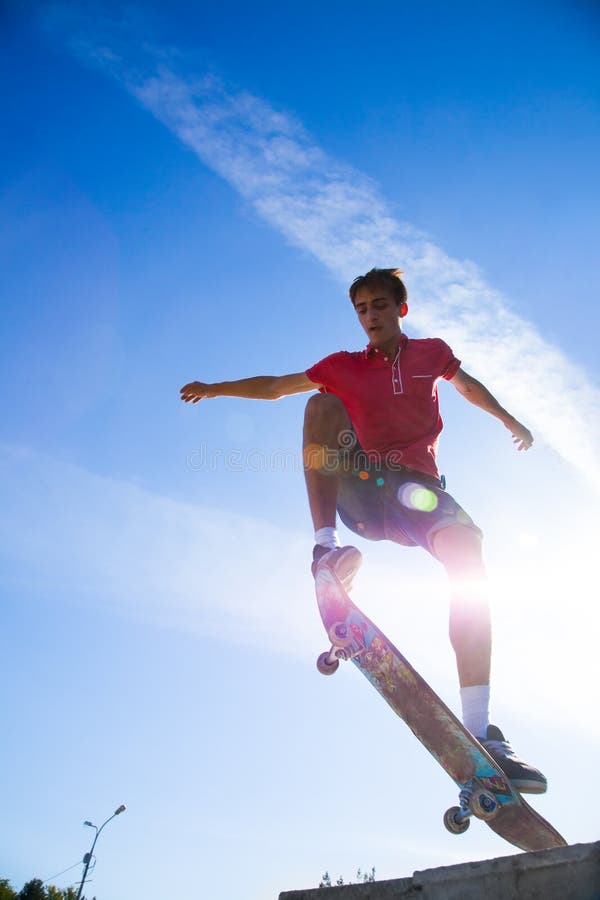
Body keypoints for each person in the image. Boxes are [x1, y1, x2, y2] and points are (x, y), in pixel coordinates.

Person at [180, 267, 546, 793]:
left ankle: (481, 732)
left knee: (469, 557)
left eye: (379, 306)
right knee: (322, 403)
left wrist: (510, 421)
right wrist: (216, 389)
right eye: (361, 309)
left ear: (401, 309)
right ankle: (325, 549)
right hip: (364, 485)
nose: (370, 317)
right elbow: (278, 387)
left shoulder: (430, 353)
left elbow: (468, 386)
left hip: (417, 491)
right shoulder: (343, 366)